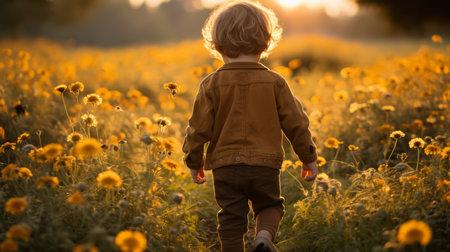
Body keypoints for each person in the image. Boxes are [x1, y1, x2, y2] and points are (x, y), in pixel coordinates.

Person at [182, 1, 318, 251]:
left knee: (231, 217)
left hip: (225, 167)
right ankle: (263, 238)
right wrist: (307, 157)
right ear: (266, 42)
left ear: (217, 43)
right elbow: (297, 123)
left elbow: (197, 129)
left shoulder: (210, 84)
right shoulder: (275, 82)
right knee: (269, 206)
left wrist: (194, 161)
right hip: (264, 165)